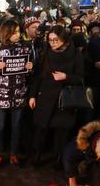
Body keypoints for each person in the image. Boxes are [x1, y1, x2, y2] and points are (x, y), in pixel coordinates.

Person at [30, 25, 85, 168]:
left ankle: (59, 159)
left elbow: (81, 79)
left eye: (56, 40)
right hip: (46, 97)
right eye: (50, 40)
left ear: (64, 40)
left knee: (61, 132)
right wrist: (32, 95)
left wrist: (66, 77)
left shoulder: (75, 55)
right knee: (41, 129)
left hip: (65, 99)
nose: (53, 43)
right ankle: (36, 156)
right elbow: (38, 76)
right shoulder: (46, 53)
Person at [0, 19, 33, 168]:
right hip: (1, 95)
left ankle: (13, 154)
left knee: (16, 126)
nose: (18, 35)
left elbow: (30, 73)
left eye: (19, 31)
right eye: (15, 32)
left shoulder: (25, 47)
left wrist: (30, 67)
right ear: (7, 33)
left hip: (19, 94)